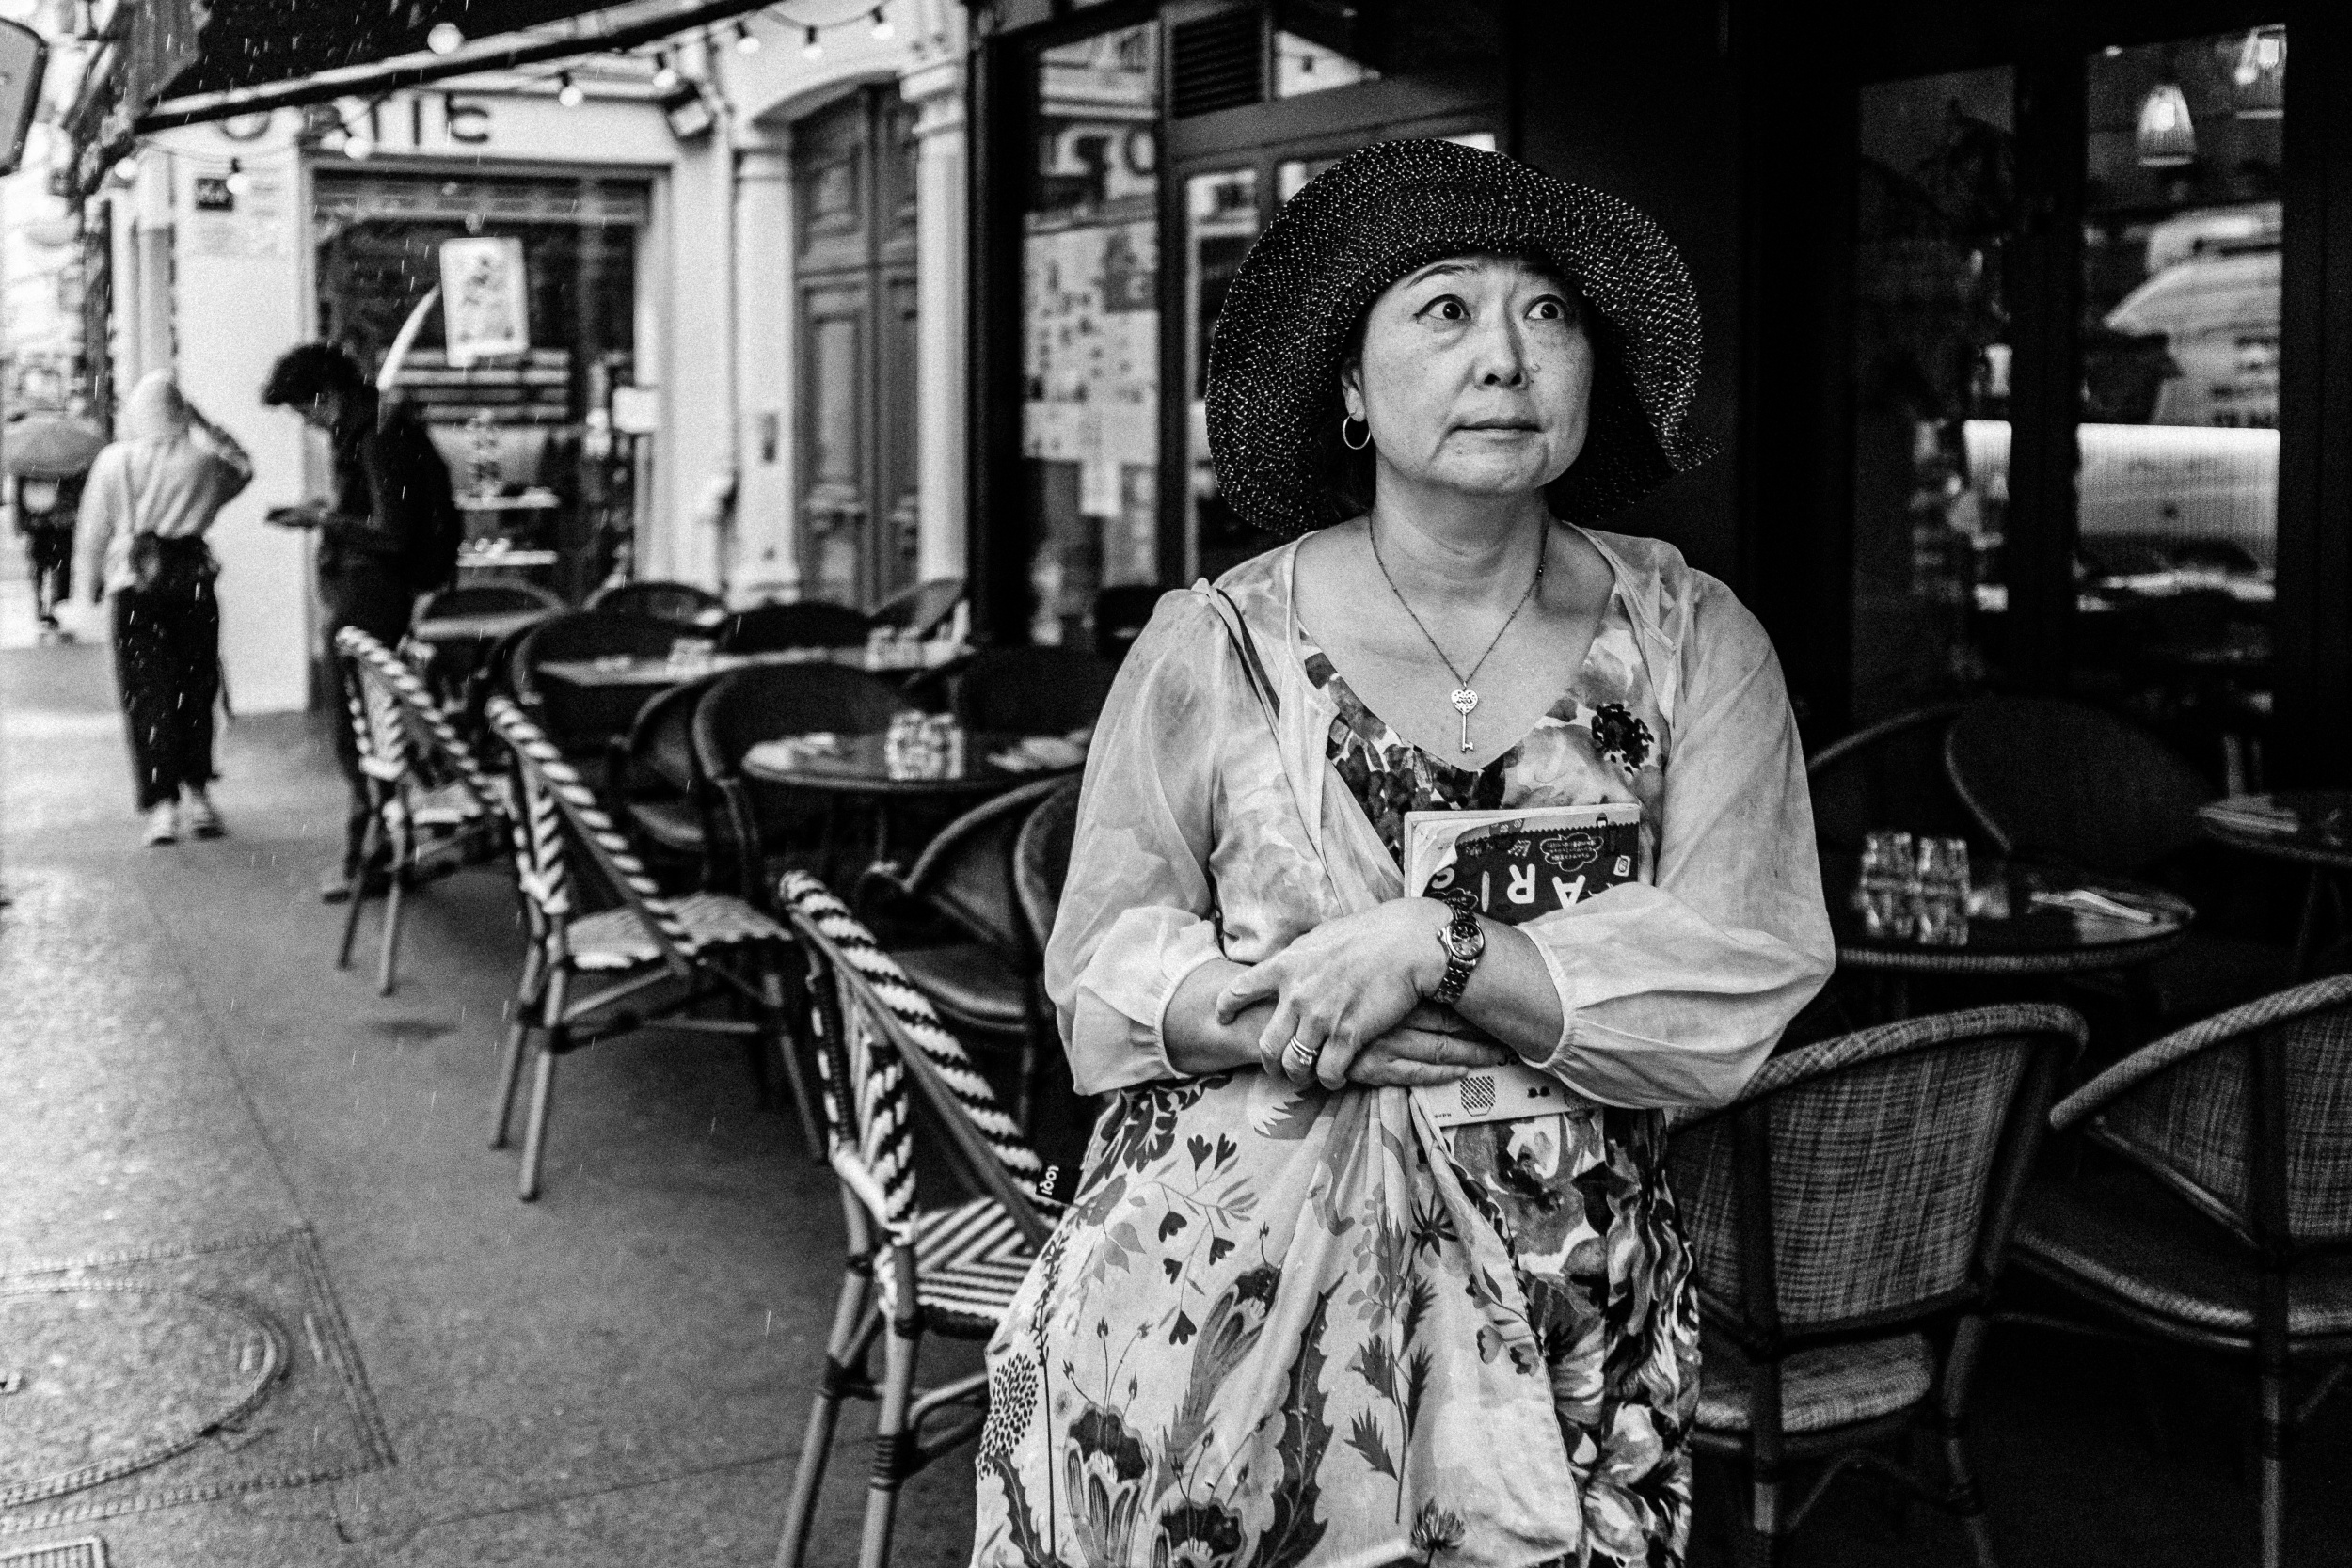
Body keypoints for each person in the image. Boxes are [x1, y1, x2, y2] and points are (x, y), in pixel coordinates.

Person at [975, 141, 1835, 1567]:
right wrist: (1297, 1008)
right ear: (1353, 390)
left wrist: (1438, 946)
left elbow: (1738, 971)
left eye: (1547, 312)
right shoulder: (1220, 642)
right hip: (1229, 1301)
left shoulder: (1692, 639)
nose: (1506, 355)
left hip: (1566, 1303)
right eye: (1445, 308)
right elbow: (1102, 966)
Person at [259, 342, 462, 901]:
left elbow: (391, 532)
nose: (307, 423)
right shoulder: (378, 425)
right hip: (381, 590)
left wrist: (323, 520)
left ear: (324, 396)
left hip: (373, 595)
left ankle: (371, 858)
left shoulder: (375, 434)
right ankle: (382, 850)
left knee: (363, 732)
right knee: (372, 727)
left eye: (303, 410)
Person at [75, 372, 253, 845]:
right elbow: (243, 468)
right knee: (195, 688)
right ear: (179, 411)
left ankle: (162, 809)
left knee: (146, 693)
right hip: (191, 583)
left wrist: (89, 585)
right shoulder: (203, 463)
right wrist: (205, 424)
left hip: (134, 585)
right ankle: (199, 797)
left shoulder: (114, 461)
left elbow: (93, 529)